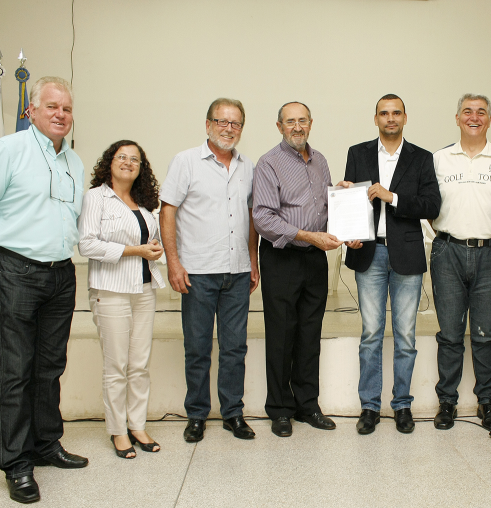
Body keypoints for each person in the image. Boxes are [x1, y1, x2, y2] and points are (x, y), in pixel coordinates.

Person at [0, 76, 87, 503]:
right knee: (15, 371)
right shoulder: (4, 150)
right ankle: (16, 463)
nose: (60, 114)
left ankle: (46, 443)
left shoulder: (75, 162)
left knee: (50, 367)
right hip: (15, 271)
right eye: (51, 106)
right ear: (30, 111)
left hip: (60, 274)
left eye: (66, 108)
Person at [339, 94, 441, 435]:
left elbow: (431, 204)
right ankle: (369, 406)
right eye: (384, 113)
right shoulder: (358, 153)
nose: (390, 118)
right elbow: (351, 201)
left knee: (406, 336)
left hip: (407, 255)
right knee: (370, 334)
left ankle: (402, 405)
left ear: (405, 118)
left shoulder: (422, 158)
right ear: (376, 118)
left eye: (396, 113)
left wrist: (392, 197)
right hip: (369, 252)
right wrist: (344, 196)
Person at [159, 98, 259, 443]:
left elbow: (251, 219)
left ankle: (233, 413)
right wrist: (173, 262)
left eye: (235, 123)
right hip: (198, 271)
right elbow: (167, 212)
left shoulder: (249, 167)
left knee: (235, 348)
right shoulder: (185, 162)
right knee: (198, 347)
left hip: (237, 271)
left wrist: (253, 261)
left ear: (242, 129)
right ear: (207, 124)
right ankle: (197, 414)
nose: (228, 128)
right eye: (222, 121)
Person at [429, 93, 491, 431]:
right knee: (450, 334)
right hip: (448, 252)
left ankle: (487, 402)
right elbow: (429, 207)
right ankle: (447, 403)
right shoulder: (439, 159)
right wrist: (446, 233)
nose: (474, 117)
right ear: (457, 118)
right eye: (467, 111)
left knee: (485, 333)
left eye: (481, 112)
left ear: (489, 120)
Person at [253, 101, 340, 437]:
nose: (297, 127)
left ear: (311, 123)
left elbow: (326, 208)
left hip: (314, 258)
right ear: (279, 127)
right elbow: (263, 217)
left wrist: (345, 230)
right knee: (281, 335)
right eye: (290, 121)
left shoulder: (320, 162)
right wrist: (305, 235)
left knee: (309, 332)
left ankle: (307, 405)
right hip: (282, 256)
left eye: (302, 120)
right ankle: (279, 409)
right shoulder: (268, 164)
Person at [78, 140, 165, 458]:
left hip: (144, 289)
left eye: (135, 159)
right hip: (111, 290)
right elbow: (86, 244)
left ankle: (137, 424)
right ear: (109, 162)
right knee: (117, 365)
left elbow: (149, 243)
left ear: (141, 168)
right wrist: (135, 251)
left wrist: (153, 249)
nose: (128, 162)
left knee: (139, 364)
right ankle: (118, 431)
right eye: (122, 157)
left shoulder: (144, 202)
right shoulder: (96, 197)